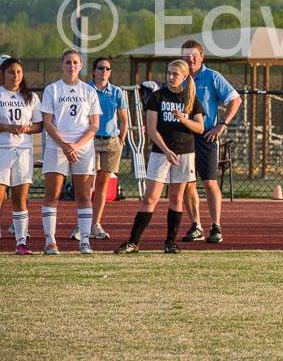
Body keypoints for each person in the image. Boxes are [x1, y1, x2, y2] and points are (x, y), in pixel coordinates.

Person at [115, 59, 205, 254]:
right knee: (150, 197)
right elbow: (152, 130)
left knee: (176, 197)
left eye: (175, 74)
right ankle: (133, 242)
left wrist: (185, 120)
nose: (171, 77)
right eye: (169, 73)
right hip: (161, 153)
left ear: (184, 77)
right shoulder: (157, 97)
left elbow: (200, 127)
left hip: (185, 152)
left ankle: (170, 242)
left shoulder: (191, 98)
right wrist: (166, 150)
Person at [40, 49, 101, 255]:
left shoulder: (89, 91)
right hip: (57, 147)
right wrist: (65, 145)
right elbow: (47, 123)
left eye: (75, 62)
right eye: (68, 62)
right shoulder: (52, 90)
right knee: (53, 194)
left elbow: (94, 126)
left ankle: (84, 241)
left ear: (81, 65)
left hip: (82, 148)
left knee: (83, 196)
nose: (72, 66)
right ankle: (50, 241)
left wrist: (76, 145)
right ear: (62, 64)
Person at [179, 40, 240, 244]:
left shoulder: (212, 77)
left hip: (206, 136)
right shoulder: (179, 78)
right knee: (188, 184)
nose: (190, 59)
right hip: (183, 137)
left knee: (210, 182)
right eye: (186, 56)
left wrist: (222, 124)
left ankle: (216, 226)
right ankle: (196, 225)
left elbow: (235, 99)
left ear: (202, 56)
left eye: (194, 55)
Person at [72, 56, 128, 241]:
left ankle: (95, 224)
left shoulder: (117, 92)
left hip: (111, 141)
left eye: (107, 68)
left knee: (102, 186)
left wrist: (121, 139)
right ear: (94, 71)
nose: (104, 71)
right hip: (91, 140)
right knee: (86, 185)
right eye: (101, 68)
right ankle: (82, 225)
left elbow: (124, 118)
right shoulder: (86, 90)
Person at [0, 57, 44, 255]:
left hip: (23, 151)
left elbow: (39, 125)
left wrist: (26, 128)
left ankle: (21, 241)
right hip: (2, 149)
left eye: (18, 72)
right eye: (11, 72)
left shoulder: (31, 97)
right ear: (3, 74)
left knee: (20, 198)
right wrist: (9, 127)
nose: (15, 76)